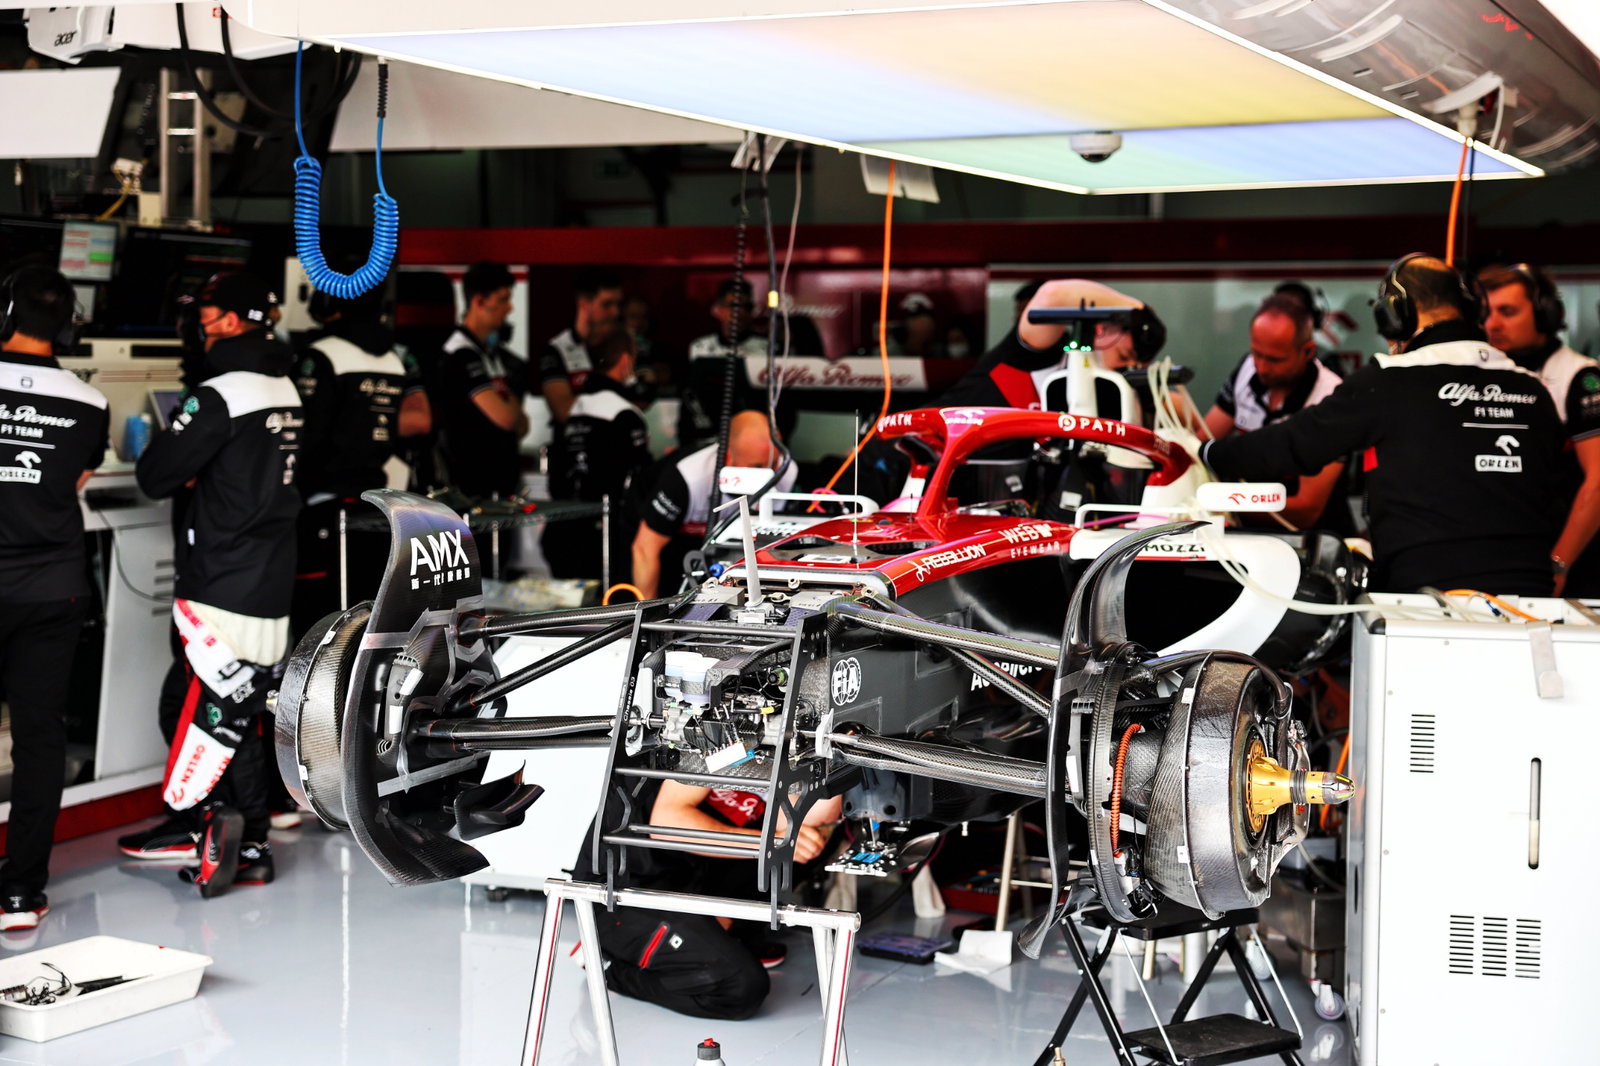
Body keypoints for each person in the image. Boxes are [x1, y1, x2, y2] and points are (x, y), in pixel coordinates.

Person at [1204, 254, 1566, 595]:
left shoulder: (1390, 380)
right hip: (1532, 595)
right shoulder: (1534, 390)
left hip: (1426, 598)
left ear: (1396, 317)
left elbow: (1292, 445)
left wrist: (1209, 452)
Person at [124, 272, 302, 897]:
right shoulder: (284, 383)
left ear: (230, 321)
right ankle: (217, 828)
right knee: (228, 708)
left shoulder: (218, 392)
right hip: (267, 574)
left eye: (207, 311)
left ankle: (241, 839)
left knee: (209, 710)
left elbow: (154, 474)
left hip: (222, 579)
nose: (198, 321)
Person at [0, 266, 109, 930]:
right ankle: (20, 893)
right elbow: (78, 478)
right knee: (40, 739)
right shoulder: (89, 401)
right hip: (52, 588)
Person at [573, 777, 842, 1020]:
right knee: (741, 989)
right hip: (624, 893)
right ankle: (609, 965)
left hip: (688, 874)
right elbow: (666, 823)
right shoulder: (720, 730)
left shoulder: (790, 739)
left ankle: (723, 934)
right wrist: (771, 843)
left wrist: (829, 758)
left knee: (808, 841)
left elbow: (806, 820)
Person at [291, 285, 432, 636]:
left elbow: (305, 437)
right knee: (365, 620)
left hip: (323, 505)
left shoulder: (321, 355)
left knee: (318, 624)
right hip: (375, 506)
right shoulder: (394, 359)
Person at [1478, 262, 1600, 596]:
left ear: (1546, 314)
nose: (1493, 324)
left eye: (1508, 311)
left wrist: (1559, 564)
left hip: (1571, 568)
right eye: (1487, 313)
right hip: (1506, 561)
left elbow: (1598, 482)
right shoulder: (1483, 375)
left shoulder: (1581, 378)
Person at [1203, 295, 1351, 532]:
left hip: (1312, 542)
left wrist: (1218, 507)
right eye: (1256, 353)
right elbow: (1204, 438)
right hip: (1244, 535)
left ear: (1307, 351)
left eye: (1274, 359)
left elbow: (1306, 510)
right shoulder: (1247, 370)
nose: (1261, 367)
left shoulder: (1331, 397)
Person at [632, 410, 795, 599]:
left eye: (774, 463)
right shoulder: (689, 477)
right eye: (757, 467)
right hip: (664, 534)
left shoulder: (787, 470)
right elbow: (645, 550)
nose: (770, 475)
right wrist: (648, 622)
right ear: (728, 458)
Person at [540, 326, 653, 587]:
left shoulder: (574, 409)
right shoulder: (624, 414)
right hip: (605, 540)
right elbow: (641, 481)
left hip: (560, 534)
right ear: (626, 361)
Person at [436, 262, 528, 499]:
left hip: (499, 484)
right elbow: (507, 418)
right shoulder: (460, 353)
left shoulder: (491, 354)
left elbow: (521, 426)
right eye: (502, 300)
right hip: (470, 487)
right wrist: (513, 399)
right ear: (478, 302)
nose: (509, 308)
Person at [678, 279, 768, 450]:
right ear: (718, 309)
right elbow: (690, 397)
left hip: (751, 434)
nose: (739, 312)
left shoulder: (766, 348)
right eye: (733, 306)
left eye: (746, 307)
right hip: (707, 434)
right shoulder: (700, 347)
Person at [539, 268, 623, 426]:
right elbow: (563, 410)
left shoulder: (621, 346)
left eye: (617, 304)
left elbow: (639, 401)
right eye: (607, 304)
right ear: (584, 304)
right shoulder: (557, 349)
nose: (615, 312)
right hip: (575, 445)